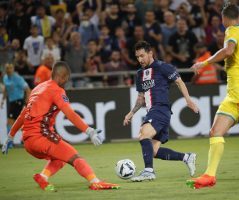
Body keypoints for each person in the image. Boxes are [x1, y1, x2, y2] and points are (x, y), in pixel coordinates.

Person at [186, 3, 239, 189]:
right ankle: (209, 176)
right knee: (215, 132)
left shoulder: (231, 31)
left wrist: (204, 63)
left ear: (224, 20)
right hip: (233, 94)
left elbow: (229, 50)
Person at [1, 61, 119, 191]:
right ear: (63, 77)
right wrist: (89, 131)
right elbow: (70, 114)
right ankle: (95, 182)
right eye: (67, 78)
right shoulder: (57, 91)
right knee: (75, 157)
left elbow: (23, 114)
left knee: (60, 158)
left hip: (28, 142)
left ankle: (42, 177)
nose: (67, 81)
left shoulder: (38, 88)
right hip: (40, 137)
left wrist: (10, 136)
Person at [123, 41, 199, 182]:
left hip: (160, 109)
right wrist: (131, 112)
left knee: (143, 134)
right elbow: (141, 98)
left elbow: (179, 82)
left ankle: (148, 171)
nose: (140, 60)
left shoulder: (162, 67)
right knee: (154, 151)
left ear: (150, 53)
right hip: (154, 111)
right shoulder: (139, 74)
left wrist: (188, 100)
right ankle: (187, 157)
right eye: (137, 57)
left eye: (142, 56)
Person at [0, 63, 31, 136]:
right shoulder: (5, 78)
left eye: (10, 68)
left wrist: (27, 100)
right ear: (5, 69)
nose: (9, 70)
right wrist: (2, 100)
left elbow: (27, 89)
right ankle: (11, 142)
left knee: (11, 122)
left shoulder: (18, 78)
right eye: (7, 68)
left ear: (13, 69)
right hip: (12, 102)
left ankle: (10, 142)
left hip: (19, 101)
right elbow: (5, 89)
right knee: (15, 123)